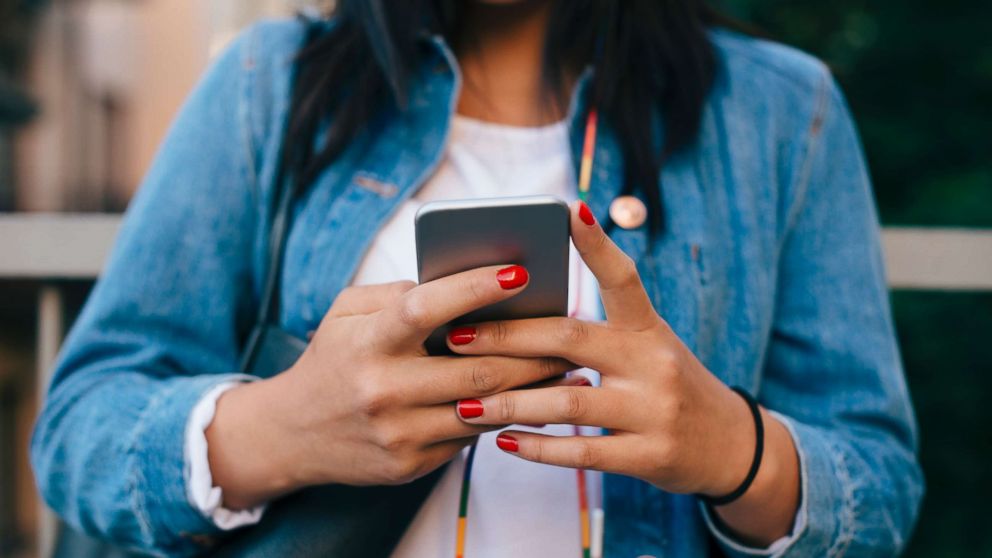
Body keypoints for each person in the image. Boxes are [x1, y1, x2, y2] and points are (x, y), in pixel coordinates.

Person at [31, 1, 923, 557]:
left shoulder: (780, 110)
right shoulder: (267, 87)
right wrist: (279, 428)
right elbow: (77, 430)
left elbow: (880, 490)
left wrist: (731, 447)